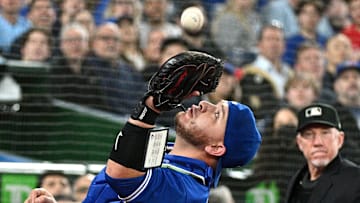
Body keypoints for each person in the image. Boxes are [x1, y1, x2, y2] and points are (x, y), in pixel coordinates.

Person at [24, 51, 262, 203]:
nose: (204, 105)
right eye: (213, 104)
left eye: (216, 114)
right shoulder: (168, 159)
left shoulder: (185, 192)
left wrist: (151, 107)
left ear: (217, 147)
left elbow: (121, 175)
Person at [285, 103, 360, 203]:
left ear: (339, 139)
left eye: (325, 133)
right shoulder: (296, 181)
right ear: (299, 143)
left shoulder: (355, 180)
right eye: (309, 134)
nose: (317, 142)